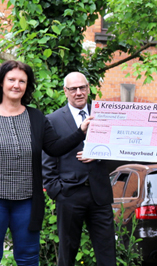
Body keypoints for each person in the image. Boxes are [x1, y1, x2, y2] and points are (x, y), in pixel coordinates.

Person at [0, 61, 93, 266]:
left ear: (27, 86)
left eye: (22, 81)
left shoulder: (36, 117)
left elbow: (55, 148)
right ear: (1, 83)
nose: (16, 85)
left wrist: (80, 132)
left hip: (27, 202)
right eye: (11, 80)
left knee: (28, 257)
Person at [42, 72, 115, 266]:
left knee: (107, 253)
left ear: (88, 88)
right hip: (69, 194)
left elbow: (118, 150)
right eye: (73, 89)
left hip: (99, 194)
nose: (78, 92)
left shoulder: (104, 115)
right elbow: (48, 161)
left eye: (82, 88)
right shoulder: (53, 120)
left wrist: (100, 153)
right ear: (65, 91)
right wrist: (57, 191)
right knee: (67, 253)